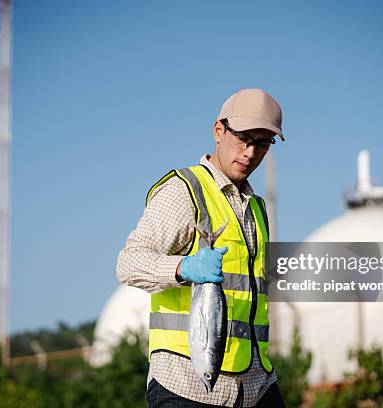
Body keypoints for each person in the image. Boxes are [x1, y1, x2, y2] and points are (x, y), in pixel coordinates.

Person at [117, 88, 287, 408]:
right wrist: (184, 268)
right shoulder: (184, 190)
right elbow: (128, 263)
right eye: (244, 139)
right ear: (218, 130)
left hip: (256, 383)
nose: (251, 153)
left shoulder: (258, 209)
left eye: (262, 143)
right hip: (187, 384)